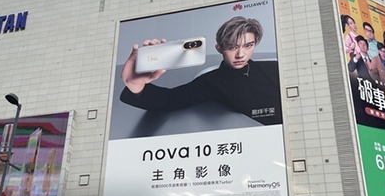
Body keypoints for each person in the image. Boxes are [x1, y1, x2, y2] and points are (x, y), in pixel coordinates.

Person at [120, 16, 282, 126]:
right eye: (232, 47)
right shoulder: (212, 82)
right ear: (219, 48)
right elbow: (170, 99)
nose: (240, 54)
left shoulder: (274, 67)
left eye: (248, 46)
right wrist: (135, 84)